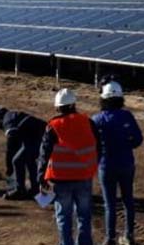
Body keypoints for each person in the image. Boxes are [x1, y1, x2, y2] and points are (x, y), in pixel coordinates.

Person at [38, 88, 100, 245]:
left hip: (60, 179)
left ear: (58, 107)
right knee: (84, 215)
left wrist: (40, 176)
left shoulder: (53, 126)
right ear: (74, 104)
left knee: (64, 217)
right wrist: (93, 166)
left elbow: (44, 153)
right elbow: (99, 147)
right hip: (84, 177)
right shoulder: (88, 122)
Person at [92, 81, 144, 245]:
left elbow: (91, 144)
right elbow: (138, 140)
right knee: (128, 200)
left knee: (110, 204)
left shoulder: (97, 120)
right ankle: (129, 236)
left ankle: (110, 238)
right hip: (126, 163)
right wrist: (126, 144)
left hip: (106, 166)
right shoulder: (127, 116)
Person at [0, 104, 46, 200]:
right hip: (43, 137)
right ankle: (35, 189)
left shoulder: (7, 119)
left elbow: (11, 144)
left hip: (41, 139)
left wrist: (9, 166)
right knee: (28, 160)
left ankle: (20, 190)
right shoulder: (12, 115)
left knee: (17, 160)